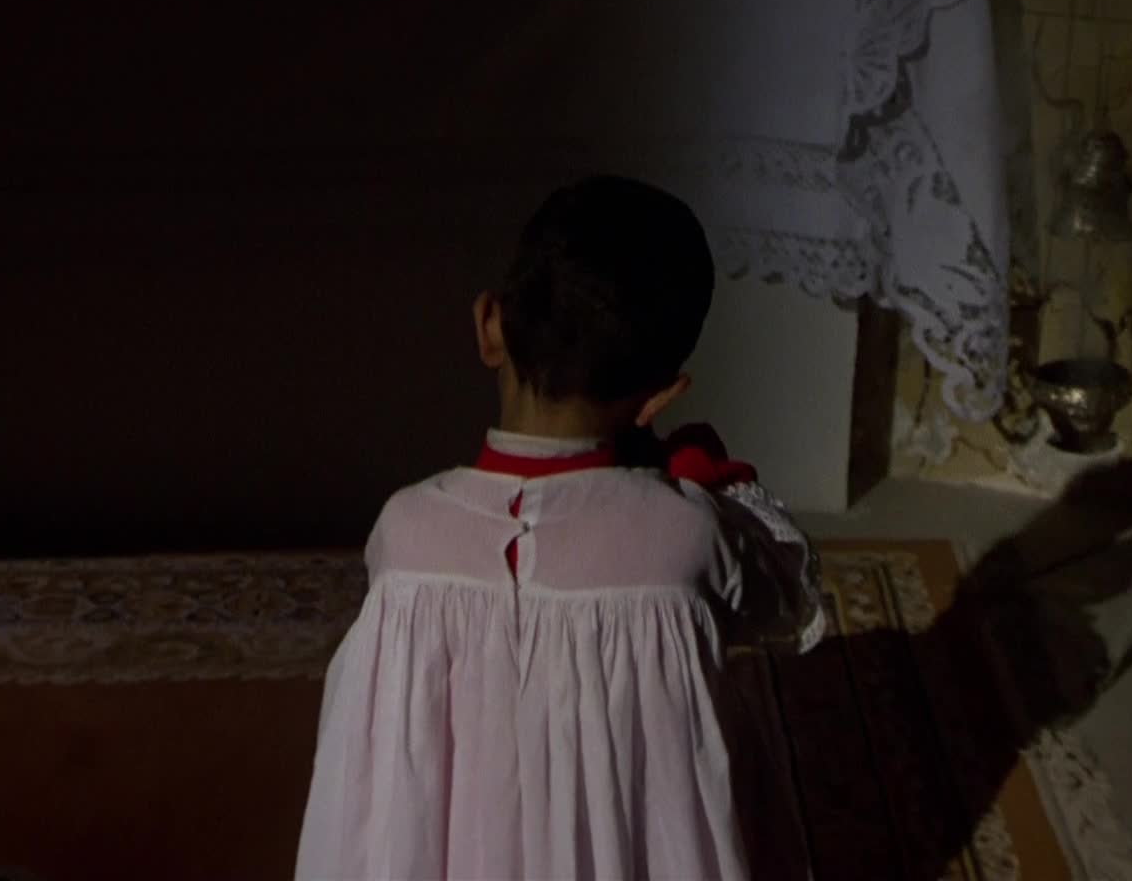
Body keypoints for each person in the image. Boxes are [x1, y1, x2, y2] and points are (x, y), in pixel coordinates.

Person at [295, 176, 825, 880]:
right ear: (660, 397)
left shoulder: (405, 531)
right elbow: (790, 601)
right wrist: (705, 481)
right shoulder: (685, 533)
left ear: (489, 325)